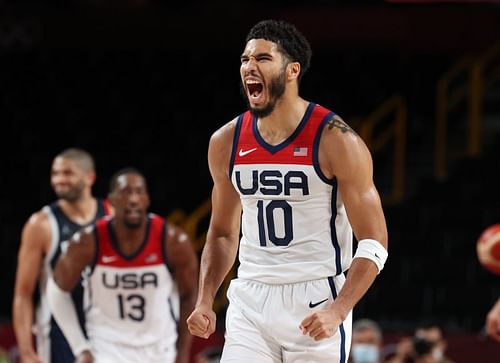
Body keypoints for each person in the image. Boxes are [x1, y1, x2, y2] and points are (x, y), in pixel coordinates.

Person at [187, 19, 388, 363]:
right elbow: (221, 233)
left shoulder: (336, 139)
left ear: (292, 70)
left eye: (262, 59)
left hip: (315, 298)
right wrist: (206, 298)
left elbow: (374, 241)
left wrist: (339, 310)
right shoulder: (225, 142)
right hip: (250, 297)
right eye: (244, 60)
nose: (249, 67)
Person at [46, 168, 198, 363]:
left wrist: (182, 353)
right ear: (112, 200)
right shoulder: (88, 241)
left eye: (139, 192)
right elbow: (56, 290)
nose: (133, 199)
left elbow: (190, 295)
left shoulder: (173, 241)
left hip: (160, 351)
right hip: (105, 350)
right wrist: (80, 348)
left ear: (147, 199)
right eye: (126, 192)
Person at [12, 148, 112, 363]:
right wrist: (26, 350)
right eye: (55, 174)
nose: (59, 180)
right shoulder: (41, 224)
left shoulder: (112, 215)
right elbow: (23, 293)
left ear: (89, 177)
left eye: (67, 173)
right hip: (58, 332)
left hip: (106, 328)